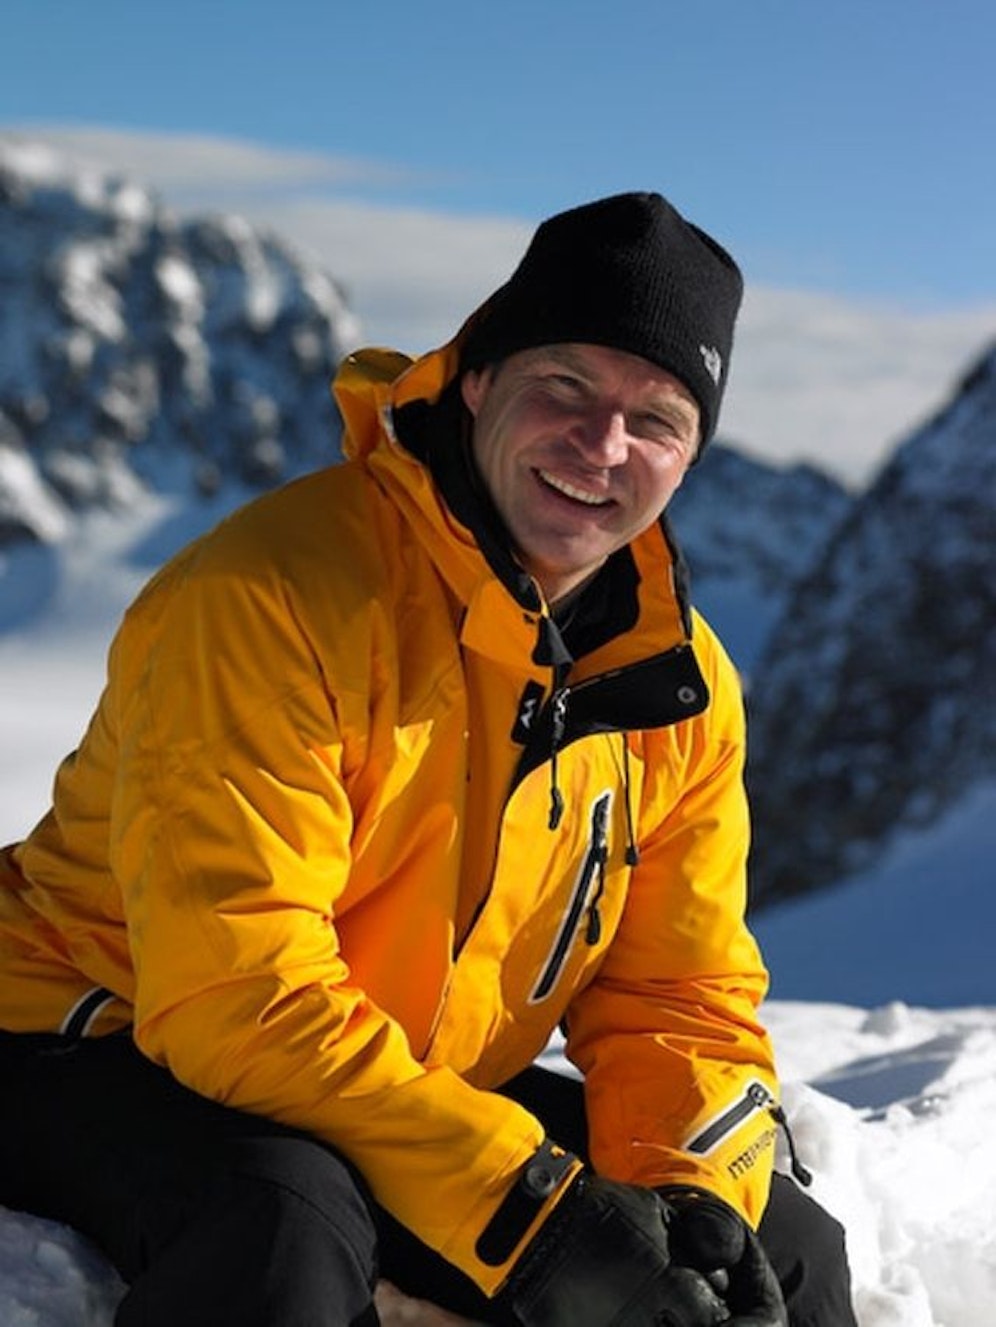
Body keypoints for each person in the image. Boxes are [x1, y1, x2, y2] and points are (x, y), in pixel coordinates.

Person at [0, 192, 856, 1326]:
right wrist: (534, 1220)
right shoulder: (274, 596)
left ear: (693, 455)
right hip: (91, 1027)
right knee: (282, 1226)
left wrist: (690, 1192)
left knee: (772, 1254)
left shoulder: (679, 684)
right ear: (477, 379)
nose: (603, 446)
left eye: (656, 418)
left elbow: (678, 992)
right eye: (565, 386)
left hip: (376, 1066)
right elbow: (236, 991)